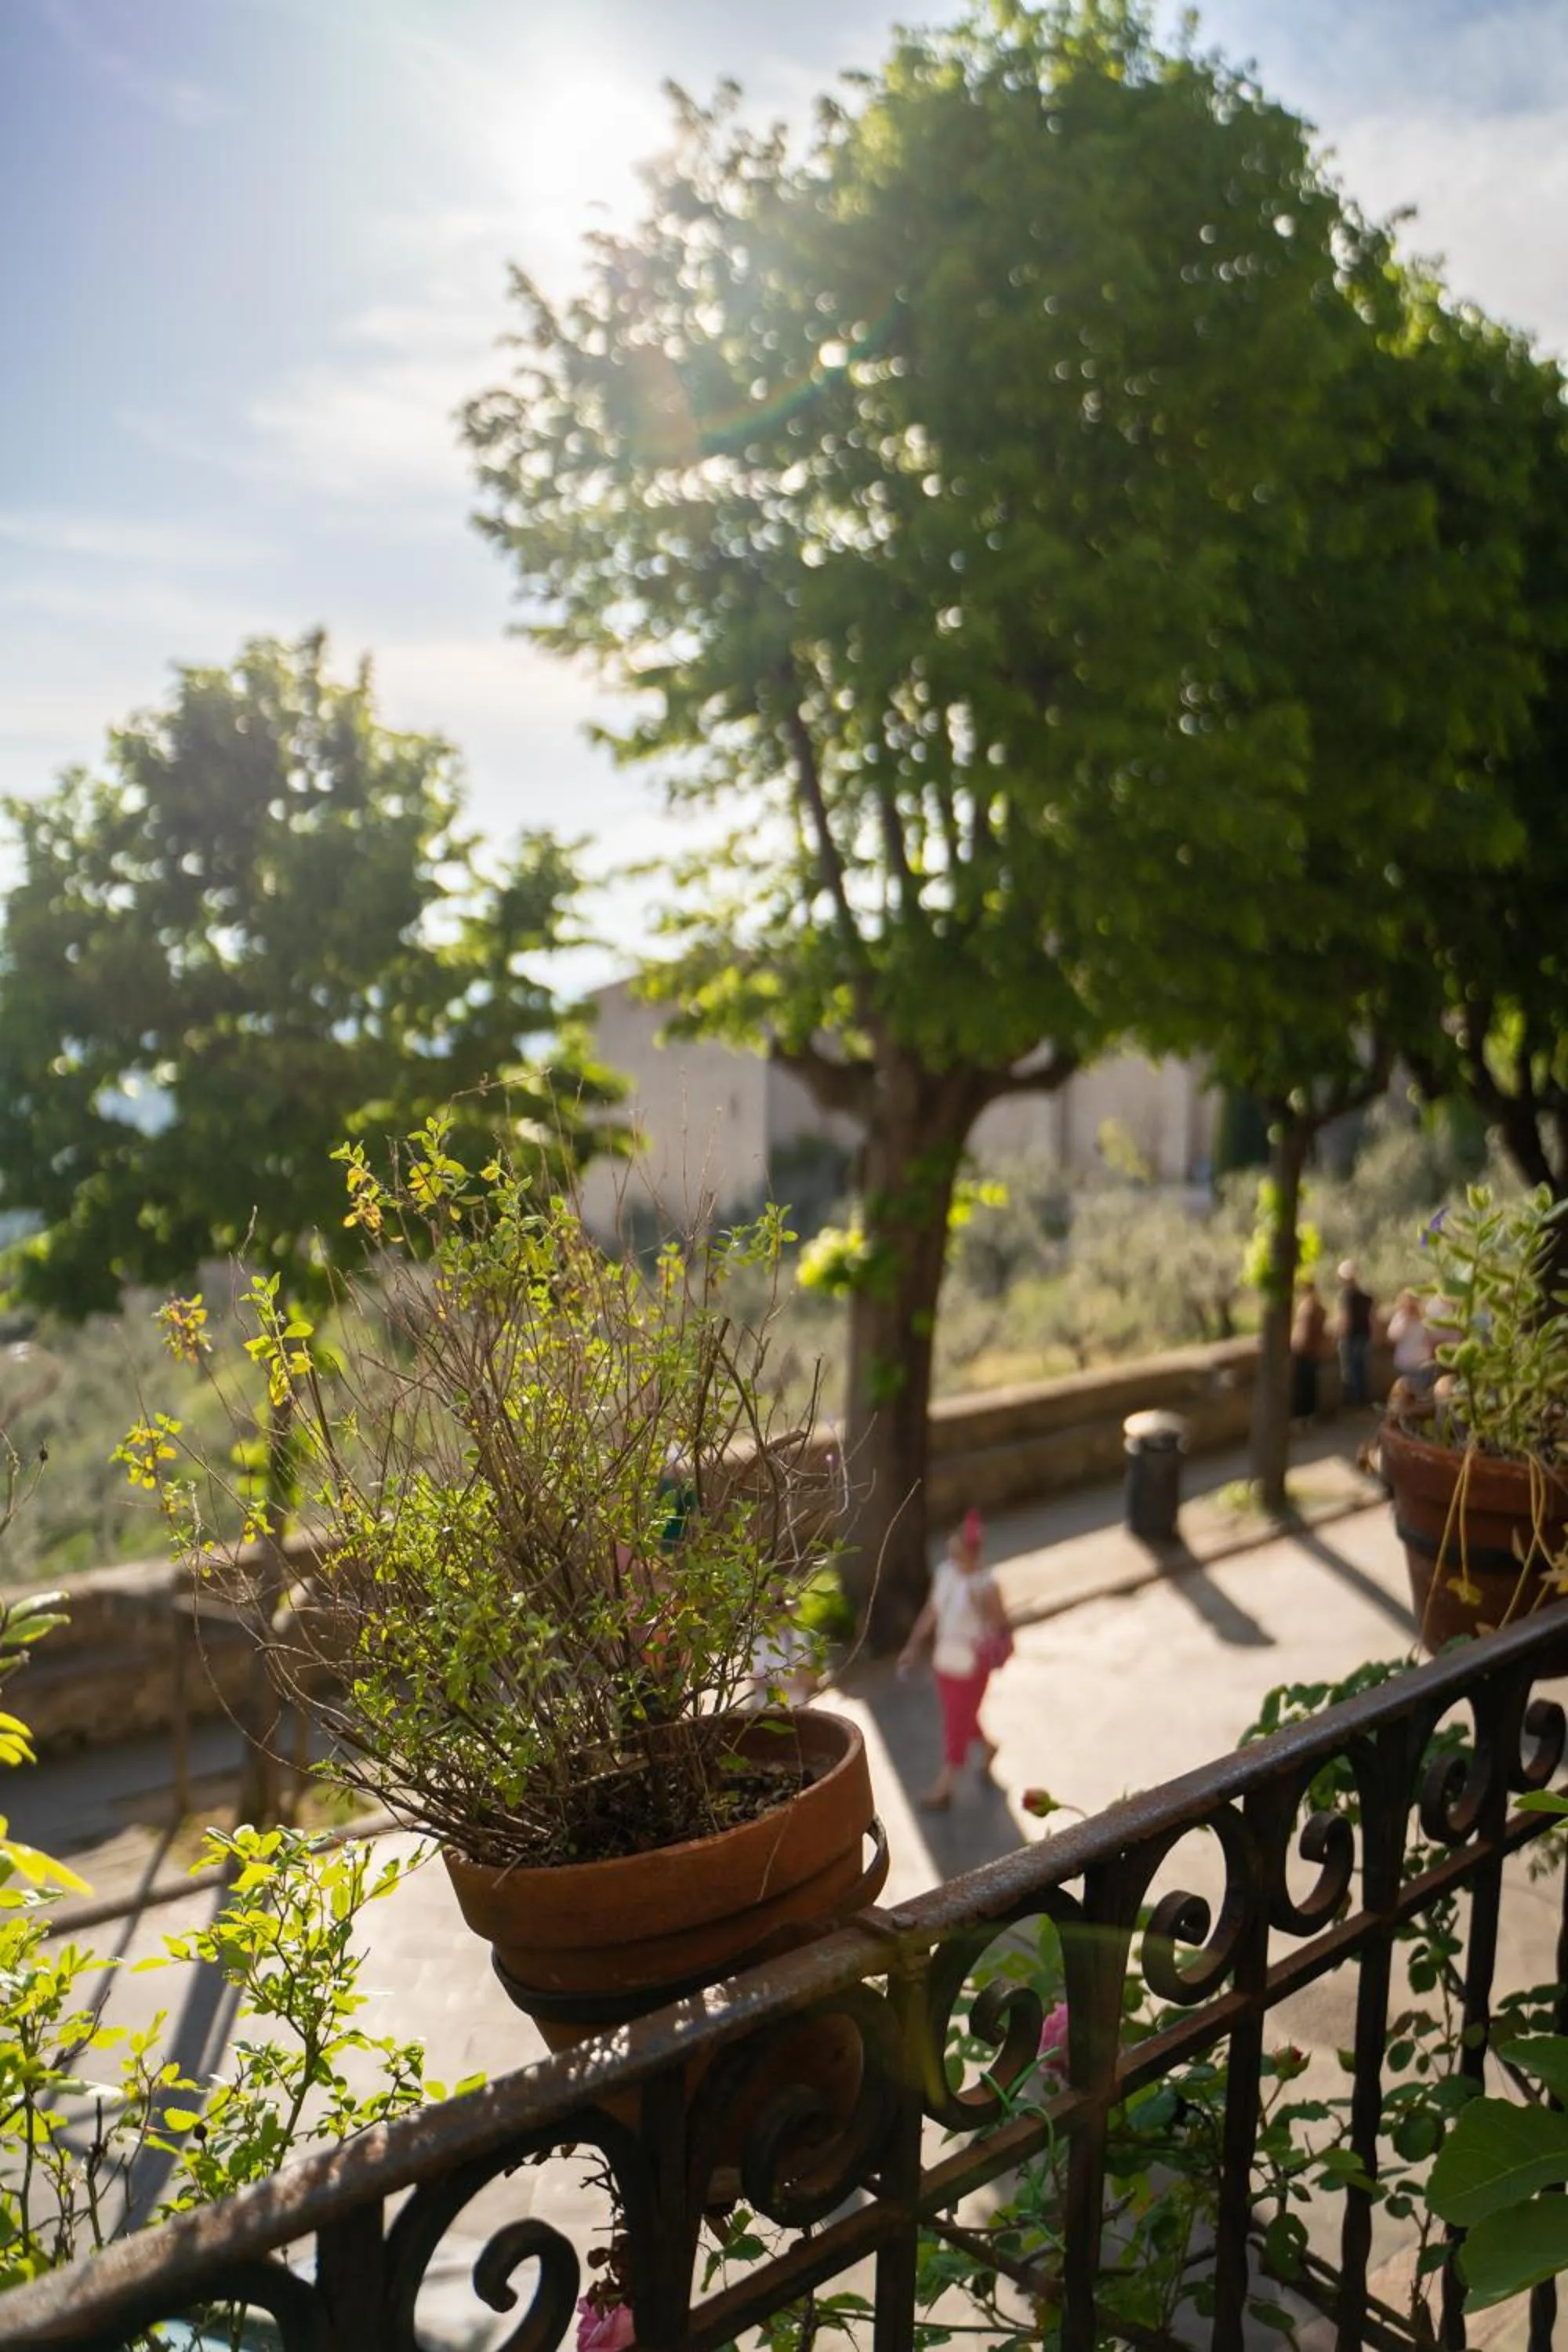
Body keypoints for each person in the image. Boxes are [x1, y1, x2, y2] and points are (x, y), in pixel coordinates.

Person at [897, 1506, 1011, 1812]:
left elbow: (1000, 1624)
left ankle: (944, 1787)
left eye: (957, 1542)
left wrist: (981, 1607)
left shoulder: (986, 1584)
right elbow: (933, 1610)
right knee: (961, 1716)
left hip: (971, 1665)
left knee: (955, 1724)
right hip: (945, 1659)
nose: (951, 1545)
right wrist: (913, 1644)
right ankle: (988, 1747)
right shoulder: (945, 1573)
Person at [1336, 1260, 1375, 1408]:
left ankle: (1354, 1401)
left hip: (1352, 1337)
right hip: (1364, 1335)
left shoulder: (1347, 1297)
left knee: (1350, 1369)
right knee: (1360, 1368)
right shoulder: (1366, 1297)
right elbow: (1372, 1318)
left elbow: (1346, 1319)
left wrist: (1340, 1334)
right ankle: (1362, 1398)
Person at [1290, 1279, 1327, 1422]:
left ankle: (1301, 1415)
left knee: (1302, 1385)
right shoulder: (1319, 1307)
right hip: (1315, 1350)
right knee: (1311, 1384)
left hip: (1304, 1350)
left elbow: (1303, 1332)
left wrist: (1297, 1345)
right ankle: (1310, 1414)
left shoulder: (1307, 1308)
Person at [1388, 1289, 1438, 1391]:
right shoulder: (1400, 1317)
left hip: (1422, 1363)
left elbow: (1431, 1336)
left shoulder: (1424, 1318)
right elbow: (1393, 1336)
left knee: (1421, 1391)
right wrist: (1405, 1322)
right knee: (1405, 1390)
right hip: (1404, 1363)